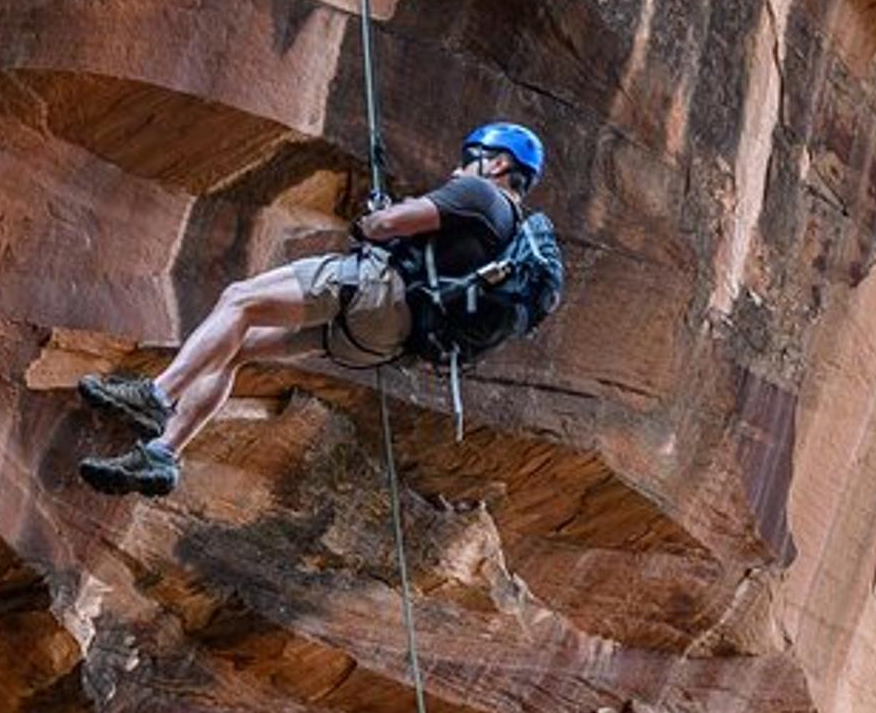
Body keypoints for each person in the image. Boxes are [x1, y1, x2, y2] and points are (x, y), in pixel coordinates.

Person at [76, 122, 546, 496]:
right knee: (237, 345)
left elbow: (387, 225)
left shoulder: (479, 194)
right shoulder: (509, 232)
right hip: (387, 342)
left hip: (375, 292)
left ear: (498, 162)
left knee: (239, 300)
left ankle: (156, 395)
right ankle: (163, 452)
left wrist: (374, 221)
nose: (457, 169)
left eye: (469, 159)